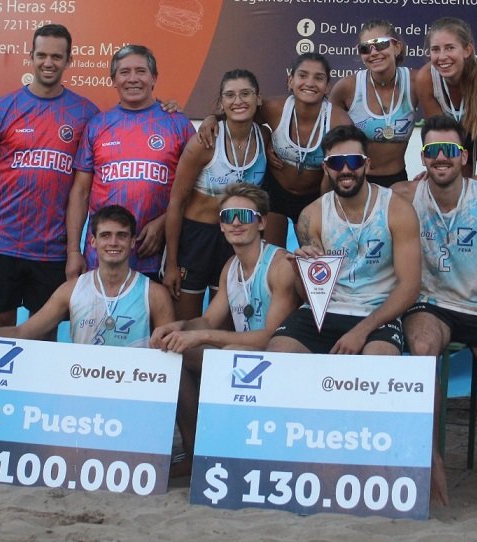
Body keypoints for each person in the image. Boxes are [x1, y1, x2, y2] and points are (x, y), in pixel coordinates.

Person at [391, 115, 477, 505]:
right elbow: (353, 206)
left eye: (449, 150)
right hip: (430, 304)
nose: (441, 157)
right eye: (432, 150)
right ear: (423, 157)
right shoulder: (404, 196)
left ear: (464, 156)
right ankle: (431, 460)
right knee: (422, 349)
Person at [0, 24, 100, 338]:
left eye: (57, 56)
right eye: (42, 55)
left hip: (52, 248)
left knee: (43, 333)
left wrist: (74, 250)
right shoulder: (2, 108)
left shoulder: (86, 113)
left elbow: (83, 188)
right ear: (31, 57)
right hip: (0, 241)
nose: (49, 62)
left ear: (69, 60)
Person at [150, 184, 300, 473]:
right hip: (247, 358)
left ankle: (228, 452)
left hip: (285, 362)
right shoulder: (231, 266)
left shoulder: (279, 264)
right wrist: (177, 327)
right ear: (220, 225)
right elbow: (207, 321)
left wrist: (201, 335)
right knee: (174, 353)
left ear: (261, 222)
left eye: (245, 215)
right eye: (228, 216)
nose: (236, 222)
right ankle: (195, 453)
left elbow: (271, 337)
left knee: (228, 354)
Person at [267, 125, 420, 355]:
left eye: (354, 161)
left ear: (367, 164)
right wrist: (301, 274)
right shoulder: (312, 215)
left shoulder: (397, 209)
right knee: (278, 353)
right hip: (326, 310)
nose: (346, 169)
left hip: (377, 311)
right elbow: (312, 295)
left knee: (379, 359)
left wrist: (361, 331)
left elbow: (410, 286)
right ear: (326, 168)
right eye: (337, 163)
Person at [0, 205, 174, 346]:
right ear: (93, 241)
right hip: (81, 388)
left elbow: (169, 351)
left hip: (134, 392)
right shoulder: (72, 289)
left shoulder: (154, 294)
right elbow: (23, 331)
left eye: (121, 235)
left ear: (133, 242)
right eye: (105, 235)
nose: (113, 242)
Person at [66, 44, 195, 281]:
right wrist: (74, 251)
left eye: (141, 71)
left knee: (157, 307)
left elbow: (196, 189)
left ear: (154, 78)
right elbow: (81, 192)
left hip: (156, 254)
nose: (133, 79)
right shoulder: (97, 125)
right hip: (102, 258)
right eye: (124, 72)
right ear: (113, 80)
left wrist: (164, 223)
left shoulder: (179, 124)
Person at [199, 53, 352, 246]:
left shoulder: (339, 121)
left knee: (314, 257)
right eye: (302, 75)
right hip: (274, 194)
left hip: (314, 195)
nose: (310, 83)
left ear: (328, 86)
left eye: (318, 78)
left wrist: (326, 207)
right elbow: (238, 114)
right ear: (290, 81)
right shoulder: (275, 108)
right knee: (270, 255)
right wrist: (211, 119)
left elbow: (344, 172)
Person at [163, 69, 270, 321]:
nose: (238, 101)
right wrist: (171, 263)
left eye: (246, 94)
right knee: (186, 323)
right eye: (230, 95)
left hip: (237, 238)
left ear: (258, 99)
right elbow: (176, 202)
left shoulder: (264, 137)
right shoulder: (205, 142)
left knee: (225, 325)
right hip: (196, 239)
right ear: (221, 103)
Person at [330, 19, 418, 187]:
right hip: (355, 180)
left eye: (380, 44)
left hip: (396, 180)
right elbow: (325, 133)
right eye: (365, 48)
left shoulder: (415, 82)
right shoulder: (347, 87)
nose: (373, 53)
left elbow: (439, 124)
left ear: (397, 47)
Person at [415, 17, 477, 174]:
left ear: (467, 50)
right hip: (459, 135)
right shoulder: (425, 78)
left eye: (450, 48)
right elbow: (441, 138)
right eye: (435, 49)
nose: (442, 56)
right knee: (456, 182)